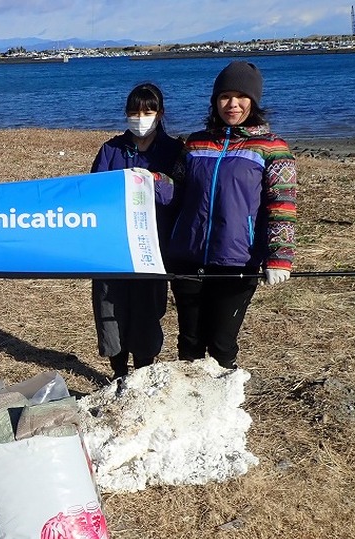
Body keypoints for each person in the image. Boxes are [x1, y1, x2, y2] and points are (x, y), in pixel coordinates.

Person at [166, 61, 297, 368]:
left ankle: (224, 407)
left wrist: (280, 257)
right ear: (215, 100)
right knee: (189, 343)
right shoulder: (196, 142)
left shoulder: (272, 148)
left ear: (254, 100)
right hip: (187, 255)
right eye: (225, 96)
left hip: (238, 259)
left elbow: (282, 205)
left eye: (241, 96)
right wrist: (143, 182)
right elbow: (175, 190)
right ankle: (191, 407)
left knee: (222, 344)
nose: (233, 104)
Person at [90, 83, 183, 379]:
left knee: (147, 312)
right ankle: (117, 373)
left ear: (160, 113)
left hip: (152, 248)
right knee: (110, 310)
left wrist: (148, 180)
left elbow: (176, 195)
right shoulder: (111, 149)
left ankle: (142, 373)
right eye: (133, 112)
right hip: (112, 247)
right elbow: (95, 194)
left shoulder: (173, 150)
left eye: (147, 111)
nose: (140, 117)